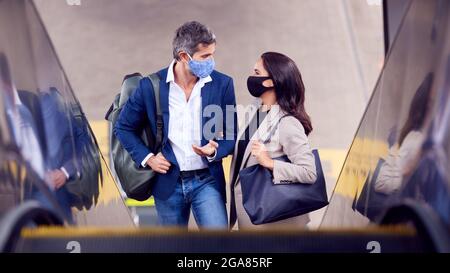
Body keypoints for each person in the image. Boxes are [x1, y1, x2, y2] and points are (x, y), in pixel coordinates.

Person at [114, 21, 237, 229]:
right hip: (168, 183)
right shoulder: (150, 86)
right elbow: (123, 127)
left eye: (213, 54)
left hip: (207, 181)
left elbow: (232, 132)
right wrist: (148, 158)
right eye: (205, 56)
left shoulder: (223, 84)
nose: (211, 61)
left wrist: (214, 151)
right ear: (183, 56)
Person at [229, 52, 317, 230]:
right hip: (251, 214)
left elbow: (309, 172)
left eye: (257, 73)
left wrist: (270, 163)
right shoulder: (256, 109)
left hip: (277, 225)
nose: (252, 77)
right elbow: (245, 150)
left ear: (271, 81)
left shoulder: (288, 123)